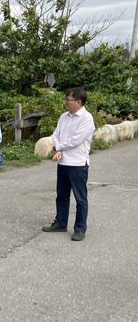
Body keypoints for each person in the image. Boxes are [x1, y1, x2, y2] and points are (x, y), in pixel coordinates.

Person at [42, 87, 95, 241]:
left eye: (69, 100)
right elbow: (56, 135)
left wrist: (58, 147)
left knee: (80, 198)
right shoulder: (64, 116)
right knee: (62, 195)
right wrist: (58, 148)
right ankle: (60, 222)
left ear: (78, 101)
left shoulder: (86, 118)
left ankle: (80, 228)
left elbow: (76, 140)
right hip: (63, 162)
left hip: (78, 164)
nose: (66, 102)